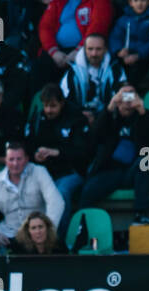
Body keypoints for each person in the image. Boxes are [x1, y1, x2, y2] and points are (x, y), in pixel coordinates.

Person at [77, 83, 149, 226]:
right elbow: (94, 136)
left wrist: (142, 112)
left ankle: (141, 214)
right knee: (88, 191)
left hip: (135, 171)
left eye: (131, 95)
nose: (127, 100)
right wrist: (110, 106)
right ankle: (82, 226)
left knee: (148, 155)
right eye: (124, 95)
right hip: (111, 171)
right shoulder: (109, 117)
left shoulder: (146, 116)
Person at [24, 83, 88, 221]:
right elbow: (28, 145)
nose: (48, 110)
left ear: (62, 103)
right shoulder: (38, 118)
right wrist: (35, 154)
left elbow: (83, 152)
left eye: (53, 106)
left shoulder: (76, 118)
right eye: (45, 105)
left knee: (59, 194)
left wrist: (56, 152)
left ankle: (57, 237)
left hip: (71, 171)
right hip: (44, 171)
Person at [0, 141, 65, 241]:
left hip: (38, 234)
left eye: (19, 159)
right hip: (8, 235)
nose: (15, 163)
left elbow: (57, 203)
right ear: (5, 160)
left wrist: (48, 231)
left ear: (26, 159)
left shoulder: (40, 172)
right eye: (11, 159)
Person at [59, 32, 125, 125]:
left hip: (108, 120)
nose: (94, 53)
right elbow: (64, 99)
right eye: (90, 49)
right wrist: (81, 114)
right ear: (84, 50)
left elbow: (124, 95)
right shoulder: (72, 72)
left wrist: (103, 114)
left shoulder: (116, 70)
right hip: (78, 119)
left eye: (98, 49)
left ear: (105, 50)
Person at [109, 0, 149, 91]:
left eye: (143, 1)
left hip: (144, 56)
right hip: (125, 55)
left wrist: (139, 54)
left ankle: (135, 97)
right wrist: (118, 50)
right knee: (118, 71)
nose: (139, 4)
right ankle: (123, 96)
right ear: (130, 3)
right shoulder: (123, 20)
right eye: (136, 1)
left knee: (137, 75)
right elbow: (115, 37)